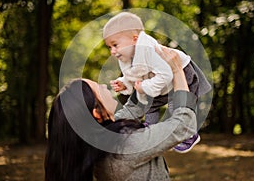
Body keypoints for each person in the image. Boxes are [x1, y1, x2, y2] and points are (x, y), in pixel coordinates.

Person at [44, 46, 198, 181]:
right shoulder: (125, 148)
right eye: (99, 88)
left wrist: (144, 82)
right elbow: (183, 125)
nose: (104, 86)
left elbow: (133, 109)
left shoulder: (98, 140)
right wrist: (177, 70)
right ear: (96, 113)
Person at [103, 11, 211, 153]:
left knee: (177, 104)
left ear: (135, 39)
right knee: (150, 104)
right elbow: (134, 74)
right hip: (158, 81)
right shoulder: (128, 56)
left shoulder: (149, 50)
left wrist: (144, 87)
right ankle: (149, 128)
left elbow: (166, 75)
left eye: (115, 45)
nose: (112, 51)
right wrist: (125, 83)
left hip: (180, 72)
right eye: (110, 47)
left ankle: (189, 134)